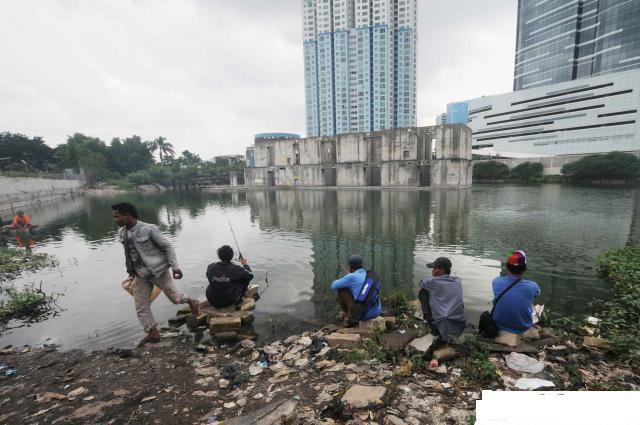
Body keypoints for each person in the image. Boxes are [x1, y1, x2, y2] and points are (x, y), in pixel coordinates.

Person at [112, 202, 199, 345]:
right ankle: (153, 333)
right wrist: (131, 273)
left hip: (158, 272)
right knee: (141, 306)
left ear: (127, 215)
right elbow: (129, 254)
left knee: (175, 299)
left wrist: (175, 267)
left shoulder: (148, 229)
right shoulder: (122, 233)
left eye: (117, 216)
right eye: (114, 217)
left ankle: (191, 301)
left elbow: (167, 247)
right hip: (140, 275)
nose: (115, 220)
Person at [491, 250, 540, 344]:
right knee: (532, 305)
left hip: (498, 325)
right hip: (522, 327)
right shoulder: (532, 286)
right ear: (525, 269)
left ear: (506, 267)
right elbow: (537, 294)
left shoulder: (496, 282)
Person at [418, 257, 466, 342]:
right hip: (459, 324)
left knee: (423, 290)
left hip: (441, 326)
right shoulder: (458, 281)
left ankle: (428, 317)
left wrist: (425, 287)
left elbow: (421, 282)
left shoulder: (432, 282)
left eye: (434, 268)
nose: (432, 270)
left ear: (442, 270)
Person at [330, 254, 382, 324]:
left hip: (364, 314)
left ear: (350, 266)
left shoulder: (351, 276)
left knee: (341, 290)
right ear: (361, 264)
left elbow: (333, 286)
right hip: (377, 311)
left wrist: (347, 276)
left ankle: (347, 316)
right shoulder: (369, 275)